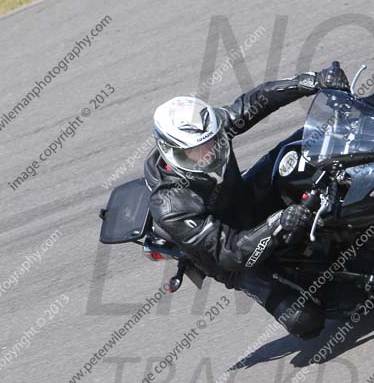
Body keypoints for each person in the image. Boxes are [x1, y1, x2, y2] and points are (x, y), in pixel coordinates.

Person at [144, 63, 350, 339]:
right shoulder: (171, 206)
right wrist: (278, 224)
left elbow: (255, 102)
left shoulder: (210, 131)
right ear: (173, 152)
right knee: (306, 321)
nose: (209, 153)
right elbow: (230, 252)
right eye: (197, 151)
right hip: (232, 258)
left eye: (213, 142)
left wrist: (311, 81)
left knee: (309, 146)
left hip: (244, 198)